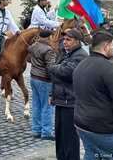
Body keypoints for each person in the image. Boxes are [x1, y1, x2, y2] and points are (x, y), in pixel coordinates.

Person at [73, 31, 113, 160]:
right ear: (105, 47)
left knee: (91, 154)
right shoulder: (111, 70)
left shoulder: (80, 65)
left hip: (82, 125)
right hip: (104, 129)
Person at [48, 29, 88, 160]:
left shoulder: (80, 55)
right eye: (64, 39)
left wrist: (52, 68)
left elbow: (67, 72)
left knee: (69, 137)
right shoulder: (65, 53)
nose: (64, 42)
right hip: (61, 100)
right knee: (60, 136)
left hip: (70, 102)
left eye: (68, 40)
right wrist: (52, 94)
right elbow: (57, 77)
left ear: (76, 42)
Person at [28, 29, 57, 140]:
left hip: (33, 78)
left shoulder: (34, 46)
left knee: (36, 105)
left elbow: (28, 49)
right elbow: (50, 68)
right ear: (49, 37)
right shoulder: (48, 50)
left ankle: (36, 130)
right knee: (47, 106)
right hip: (44, 80)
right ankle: (46, 132)